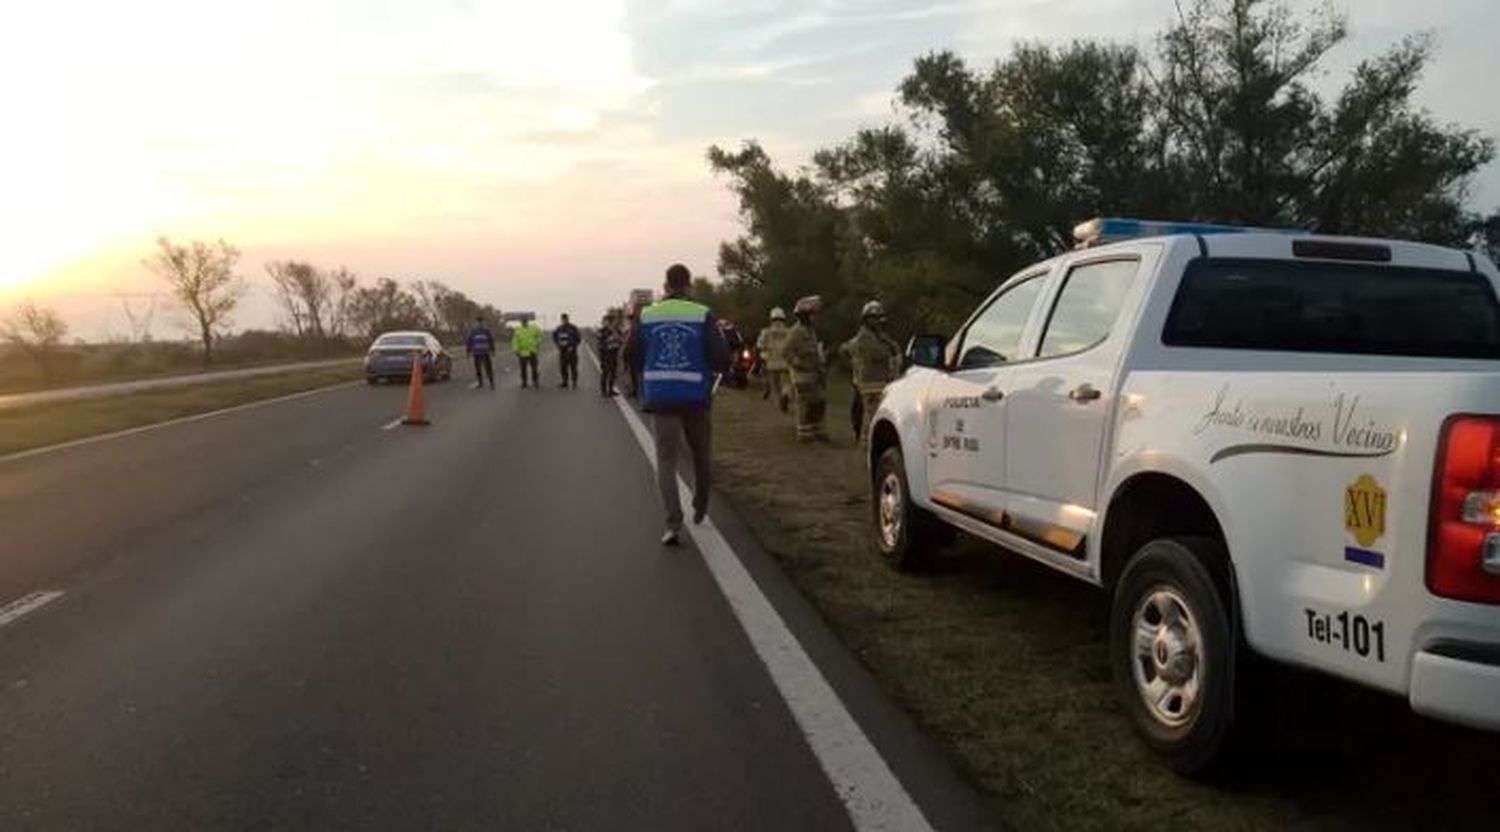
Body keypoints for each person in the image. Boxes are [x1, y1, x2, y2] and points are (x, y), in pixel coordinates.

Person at [631, 263, 729, 546]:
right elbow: (719, 356)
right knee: (701, 453)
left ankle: (673, 524)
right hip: (697, 396)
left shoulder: (647, 315)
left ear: (665, 286)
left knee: (665, 461)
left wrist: (645, 377)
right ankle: (700, 505)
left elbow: (632, 353)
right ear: (688, 285)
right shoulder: (702, 314)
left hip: (661, 398)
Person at [841, 300, 903, 442]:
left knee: (873, 414)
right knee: (872, 415)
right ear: (866, 320)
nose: (877, 321)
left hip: (880, 381)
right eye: (873, 318)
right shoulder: (865, 337)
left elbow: (895, 349)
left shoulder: (879, 336)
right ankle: (867, 442)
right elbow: (879, 354)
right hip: (870, 383)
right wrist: (890, 349)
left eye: (878, 317)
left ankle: (867, 440)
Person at [784, 295, 828, 443]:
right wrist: (798, 364)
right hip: (802, 375)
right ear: (805, 315)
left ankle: (817, 431)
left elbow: (815, 351)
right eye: (813, 314)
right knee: (805, 404)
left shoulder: (811, 331)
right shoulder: (796, 332)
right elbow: (786, 352)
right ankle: (804, 434)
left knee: (819, 402)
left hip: (814, 374)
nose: (816, 317)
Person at [755, 307, 792, 412]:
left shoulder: (766, 332)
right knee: (787, 382)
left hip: (772, 362)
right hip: (786, 362)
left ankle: (781, 398)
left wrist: (763, 354)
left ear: (771, 318)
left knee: (775, 385)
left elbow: (760, 345)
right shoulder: (789, 331)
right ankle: (786, 394)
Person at [465, 315, 497, 389]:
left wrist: (493, 350)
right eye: (478, 322)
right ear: (476, 323)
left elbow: (491, 340)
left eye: (481, 322)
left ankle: (491, 383)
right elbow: (469, 341)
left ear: (483, 323)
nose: (480, 324)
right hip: (477, 353)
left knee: (488, 368)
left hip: (485, 352)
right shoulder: (473, 332)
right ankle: (480, 383)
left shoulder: (486, 331)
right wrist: (468, 351)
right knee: (478, 369)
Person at [597, 311, 624, 397]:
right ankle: (603, 391)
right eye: (605, 322)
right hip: (605, 356)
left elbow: (621, 341)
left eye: (608, 322)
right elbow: (600, 344)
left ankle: (611, 389)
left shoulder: (617, 330)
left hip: (614, 355)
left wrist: (616, 335)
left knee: (613, 373)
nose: (606, 323)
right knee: (605, 373)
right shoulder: (602, 331)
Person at [512, 317, 543, 388]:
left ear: (527, 321)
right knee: (523, 369)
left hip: (532, 351)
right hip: (522, 352)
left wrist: (537, 343)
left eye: (525, 321)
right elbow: (514, 341)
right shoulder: (518, 330)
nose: (524, 322)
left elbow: (540, 336)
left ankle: (535, 381)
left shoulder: (534, 328)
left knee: (534, 368)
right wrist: (515, 349)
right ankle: (524, 382)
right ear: (521, 322)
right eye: (523, 321)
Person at [553, 313, 581, 389]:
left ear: (568, 319)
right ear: (561, 319)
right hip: (563, 351)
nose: (564, 320)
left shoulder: (573, 328)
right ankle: (565, 382)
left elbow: (578, 339)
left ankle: (574, 383)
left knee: (573, 368)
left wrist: (573, 346)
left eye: (565, 319)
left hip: (572, 351)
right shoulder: (559, 328)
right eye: (562, 319)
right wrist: (557, 345)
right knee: (563, 367)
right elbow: (554, 336)